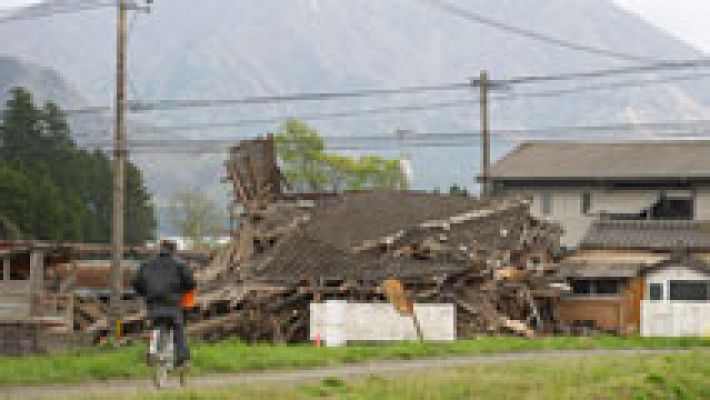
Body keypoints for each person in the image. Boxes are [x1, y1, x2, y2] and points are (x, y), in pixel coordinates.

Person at [132, 240, 195, 366]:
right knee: (178, 327)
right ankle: (182, 356)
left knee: (155, 323)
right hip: (173, 303)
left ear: (160, 249)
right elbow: (191, 284)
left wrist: (145, 293)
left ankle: (151, 349)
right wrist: (183, 290)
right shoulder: (180, 265)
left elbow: (136, 283)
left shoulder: (145, 264)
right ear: (174, 250)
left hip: (153, 302)